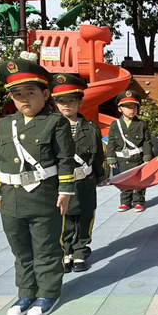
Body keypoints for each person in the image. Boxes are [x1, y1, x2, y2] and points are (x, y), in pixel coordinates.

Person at [0, 59, 75, 315]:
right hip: (11, 199)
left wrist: (65, 190)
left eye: (30, 92)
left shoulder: (55, 122)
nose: (24, 99)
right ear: (11, 98)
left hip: (43, 197)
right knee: (20, 250)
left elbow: (65, 159)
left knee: (46, 248)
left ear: (45, 94)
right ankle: (26, 292)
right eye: (17, 94)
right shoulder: (6, 124)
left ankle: (48, 293)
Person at [51, 74, 106, 273]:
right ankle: (65, 252)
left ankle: (80, 251)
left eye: (71, 100)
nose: (66, 105)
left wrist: (101, 176)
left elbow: (98, 155)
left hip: (85, 182)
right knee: (64, 219)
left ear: (80, 102)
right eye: (61, 101)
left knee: (85, 217)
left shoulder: (91, 128)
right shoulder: (50, 128)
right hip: (61, 183)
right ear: (55, 103)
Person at [106, 90, 154, 212]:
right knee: (125, 180)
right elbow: (112, 142)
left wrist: (147, 157)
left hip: (138, 158)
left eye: (134, 107)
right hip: (123, 159)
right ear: (120, 109)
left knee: (139, 181)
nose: (131, 110)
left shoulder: (141, 124)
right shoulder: (115, 124)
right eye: (127, 107)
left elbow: (147, 141)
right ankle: (125, 201)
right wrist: (110, 158)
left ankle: (138, 201)